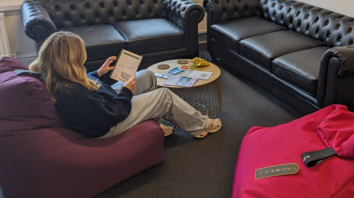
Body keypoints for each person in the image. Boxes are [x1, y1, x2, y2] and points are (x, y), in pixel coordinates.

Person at [29, 31, 222, 139]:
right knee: (164, 96)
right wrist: (126, 92)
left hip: (103, 104)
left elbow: (86, 88)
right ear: (71, 59)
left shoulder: (57, 75)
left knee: (146, 75)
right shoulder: (74, 94)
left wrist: (99, 73)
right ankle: (201, 125)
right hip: (109, 123)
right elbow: (110, 116)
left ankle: (156, 122)